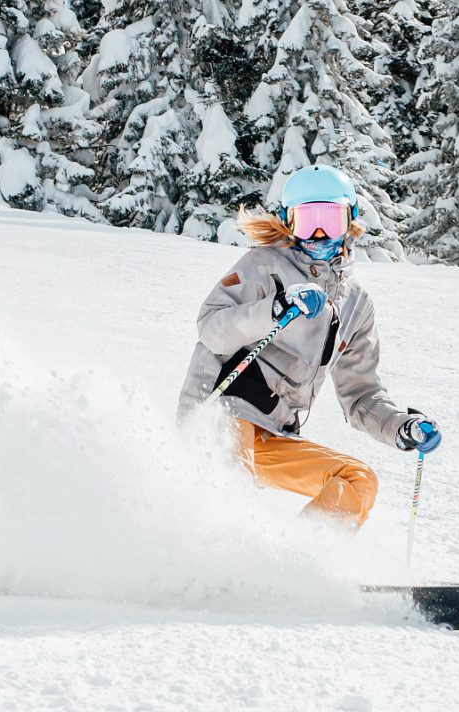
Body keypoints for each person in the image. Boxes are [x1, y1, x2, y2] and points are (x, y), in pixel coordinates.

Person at [177, 164, 441, 528]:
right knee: (230, 494)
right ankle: (212, 572)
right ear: (288, 222)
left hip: (274, 436)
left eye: (330, 220)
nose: (318, 234)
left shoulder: (355, 304)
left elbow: (360, 394)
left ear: (350, 222)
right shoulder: (263, 265)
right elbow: (212, 327)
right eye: (307, 221)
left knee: (357, 481)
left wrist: (399, 426)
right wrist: (275, 308)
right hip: (221, 414)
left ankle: (297, 569)